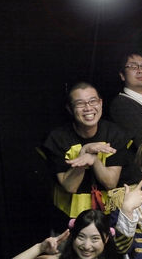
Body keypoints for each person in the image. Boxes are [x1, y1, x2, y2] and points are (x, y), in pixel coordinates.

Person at [42, 82, 130, 218]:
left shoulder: (115, 134)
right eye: (80, 104)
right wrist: (83, 153)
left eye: (93, 101)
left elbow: (110, 183)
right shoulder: (58, 139)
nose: (88, 108)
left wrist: (94, 159)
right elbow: (70, 187)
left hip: (108, 215)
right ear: (70, 108)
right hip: (68, 216)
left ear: (101, 103)